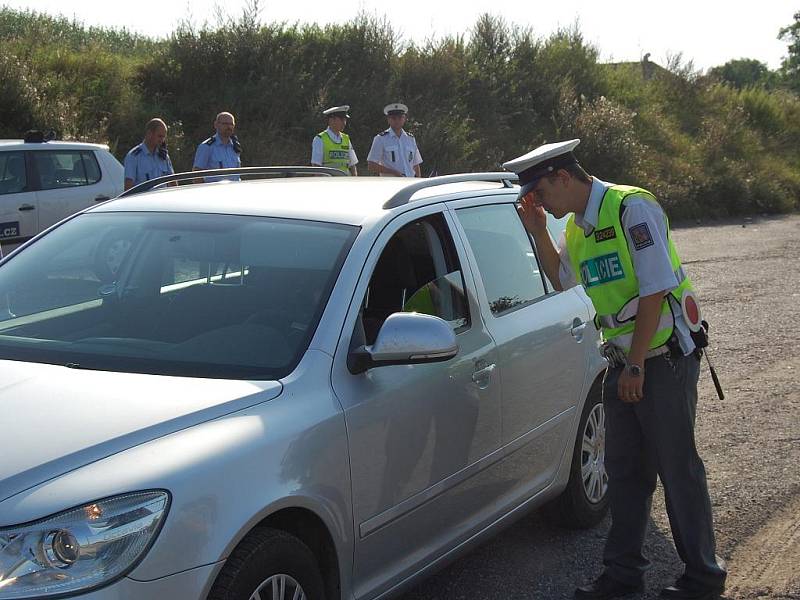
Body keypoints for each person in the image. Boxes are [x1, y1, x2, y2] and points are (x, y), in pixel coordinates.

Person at [503, 140, 727, 600]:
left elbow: (653, 291)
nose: (541, 202)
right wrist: (537, 229)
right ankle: (624, 576)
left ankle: (703, 579)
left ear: (563, 177)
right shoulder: (580, 229)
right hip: (627, 363)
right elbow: (564, 280)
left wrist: (638, 365)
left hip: (662, 358)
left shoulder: (632, 207)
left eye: (542, 193)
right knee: (624, 471)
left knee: (677, 470)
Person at [367, 103, 423, 177]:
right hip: (391, 183)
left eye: (400, 117)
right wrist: (393, 172)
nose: (397, 120)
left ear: (404, 119)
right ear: (388, 120)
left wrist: (418, 179)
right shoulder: (380, 139)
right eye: (393, 118)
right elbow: (371, 165)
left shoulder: (410, 139)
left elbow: (416, 164)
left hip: (409, 181)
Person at [123, 118, 174, 190]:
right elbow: (128, 188)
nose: (162, 140)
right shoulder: (134, 156)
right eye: (159, 136)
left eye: (164, 137)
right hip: (144, 200)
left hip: (163, 199)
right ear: (149, 133)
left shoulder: (164, 156)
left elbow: (173, 182)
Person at [193, 112, 242, 182]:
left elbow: (237, 176)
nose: (229, 127)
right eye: (225, 124)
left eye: (231, 124)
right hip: (214, 191)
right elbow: (196, 176)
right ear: (216, 125)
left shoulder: (235, 147)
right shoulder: (206, 147)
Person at [311, 105, 358, 175]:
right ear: (331, 120)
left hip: (345, 183)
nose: (344, 123)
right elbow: (316, 166)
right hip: (328, 183)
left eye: (345, 120)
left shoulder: (346, 138)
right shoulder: (319, 139)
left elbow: (352, 165)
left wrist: (354, 182)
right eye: (341, 119)